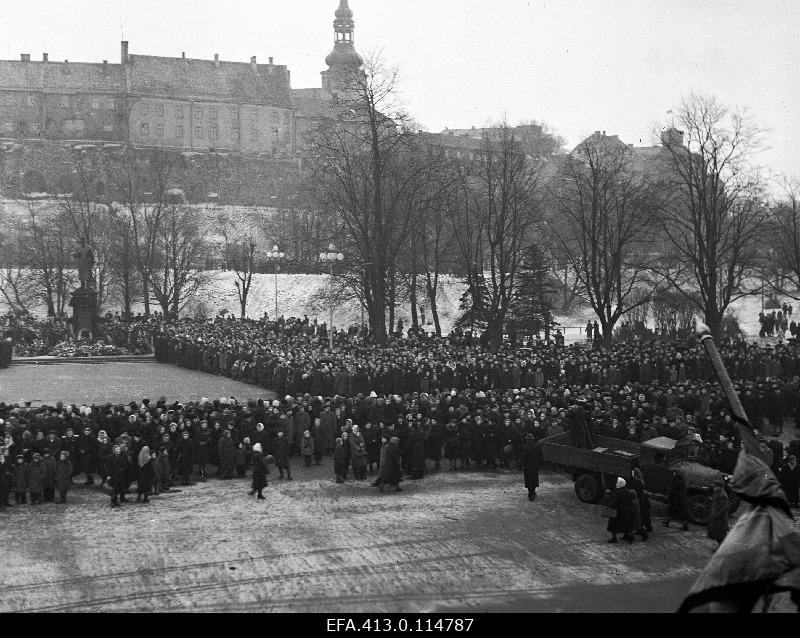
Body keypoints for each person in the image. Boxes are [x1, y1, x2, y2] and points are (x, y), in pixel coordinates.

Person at [606, 477, 634, 543]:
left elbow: (615, 502)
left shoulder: (618, 492)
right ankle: (628, 536)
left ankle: (614, 538)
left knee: (613, 525)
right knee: (625, 524)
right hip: (625, 510)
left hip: (617, 511)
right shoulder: (626, 490)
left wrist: (609, 504)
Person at [707, 480, 729, 548]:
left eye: (714, 487)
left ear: (719, 487)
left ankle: (721, 549)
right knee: (717, 535)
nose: (713, 488)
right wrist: (711, 499)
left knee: (720, 535)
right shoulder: (717, 492)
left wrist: (717, 515)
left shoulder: (723, 495)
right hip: (716, 517)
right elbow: (717, 502)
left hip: (720, 519)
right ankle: (720, 548)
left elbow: (725, 507)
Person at [519, 433, 541, 501]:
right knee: (534, 479)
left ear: (527, 440)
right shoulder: (537, 446)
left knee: (528, 480)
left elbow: (523, 457)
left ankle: (530, 494)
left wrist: (520, 466)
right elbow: (540, 456)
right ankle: (533, 492)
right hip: (535, 466)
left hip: (527, 466)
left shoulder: (525, 447)